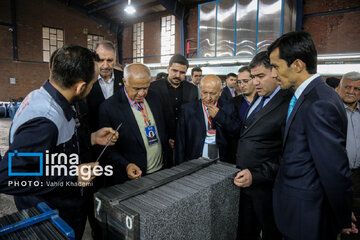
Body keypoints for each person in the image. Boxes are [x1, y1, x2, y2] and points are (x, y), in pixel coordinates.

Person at [0, 45, 119, 239]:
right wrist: (73, 177)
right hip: (50, 214)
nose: (92, 88)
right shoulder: (44, 121)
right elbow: (7, 176)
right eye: (92, 84)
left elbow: (56, 144)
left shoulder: (47, 97)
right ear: (80, 87)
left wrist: (91, 138)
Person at [268, 31, 356, 239]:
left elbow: (334, 169)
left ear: (297, 65)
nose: (273, 74)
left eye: (276, 67)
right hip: (300, 212)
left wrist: (341, 216)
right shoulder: (306, 97)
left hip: (308, 218)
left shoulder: (319, 103)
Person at [232, 51, 291, 240]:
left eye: (260, 77)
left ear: (275, 72)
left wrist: (256, 175)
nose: (255, 82)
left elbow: (289, 154)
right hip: (245, 185)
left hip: (269, 189)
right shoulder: (259, 97)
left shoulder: (288, 103)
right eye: (253, 77)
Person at [99, 63, 171, 184]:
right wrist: (126, 165)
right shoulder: (109, 108)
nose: (142, 93)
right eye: (137, 88)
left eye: (146, 87)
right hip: (134, 177)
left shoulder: (156, 98)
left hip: (161, 170)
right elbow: (107, 149)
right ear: (125, 82)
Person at [175, 75, 230, 164]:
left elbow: (235, 130)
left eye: (212, 93)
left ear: (220, 91)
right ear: (200, 90)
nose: (208, 98)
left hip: (221, 161)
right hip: (194, 160)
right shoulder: (187, 110)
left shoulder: (229, 107)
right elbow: (180, 142)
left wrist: (219, 116)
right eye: (204, 93)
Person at [149, 54, 198, 152]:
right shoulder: (153, 88)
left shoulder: (192, 89)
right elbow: (151, 117)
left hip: (185, 141)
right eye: (174, 71)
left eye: (182, 72)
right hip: (160, 142)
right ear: (168, 69)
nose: (177, 75)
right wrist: (165, 137)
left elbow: (193, 117)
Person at [336, 72, 360, 240]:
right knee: (338, 220)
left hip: (358, 176)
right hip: (336, 176)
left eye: (357, 88)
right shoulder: (330, 110)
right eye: (348, 87)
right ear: (339, 88)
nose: (352, 91)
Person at [86, 40, 124, 132]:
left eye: (110, 60)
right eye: (101, 60)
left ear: (115, 60)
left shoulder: (124, 78)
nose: (105, 65)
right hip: (95, 136)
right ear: (94, 60)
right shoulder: (86, 80)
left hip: (122, 134)